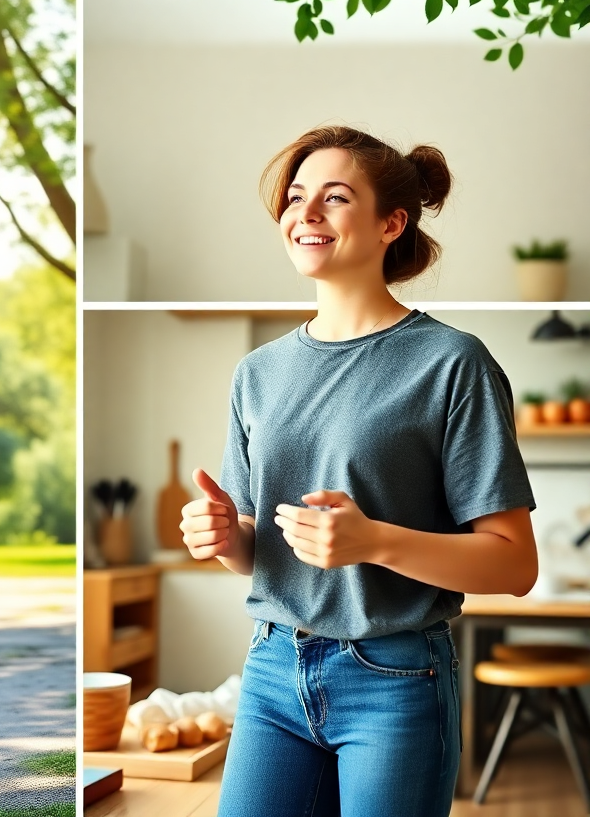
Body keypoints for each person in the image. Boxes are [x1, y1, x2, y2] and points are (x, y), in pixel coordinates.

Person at [179, 125, 537, 817]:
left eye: (334, 198)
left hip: (395, 677)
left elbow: (513, 566)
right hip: (272, 669)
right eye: (295, 197)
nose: (304, 214)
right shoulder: (256, 374)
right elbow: (261, 555)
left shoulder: (451, 364)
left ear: (390, 224)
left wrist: (375, 543)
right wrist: (226, 538)